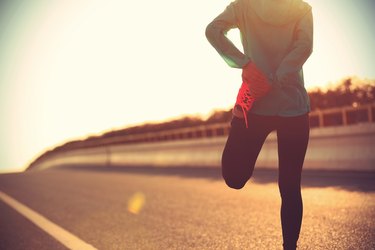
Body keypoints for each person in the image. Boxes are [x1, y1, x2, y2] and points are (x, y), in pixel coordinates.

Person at [205, 0, 313, 249]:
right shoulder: (301, 8)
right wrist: (276, 77)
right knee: (290, 185)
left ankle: (289, 247)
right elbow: (304, 46)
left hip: (257, 104)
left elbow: (213, 30)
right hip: (292, 104)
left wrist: (245, 65)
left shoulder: (242, 6)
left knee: (235, 177)